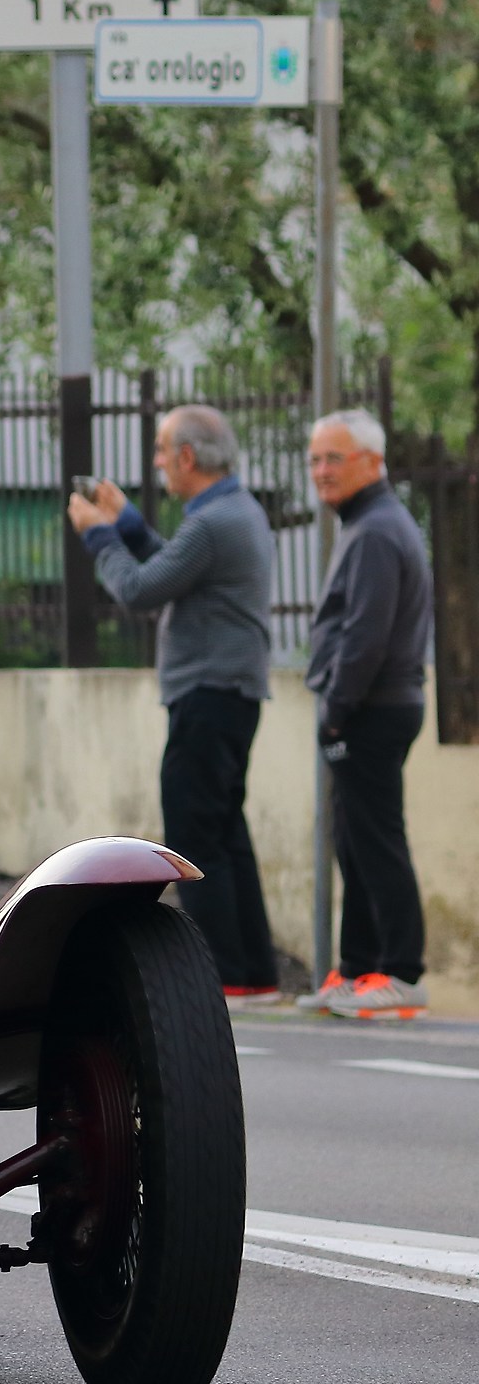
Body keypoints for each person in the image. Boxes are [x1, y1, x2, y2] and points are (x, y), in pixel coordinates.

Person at [66, 406, 281, 1007]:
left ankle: (222, 975)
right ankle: (252, 973)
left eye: (162, 450)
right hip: (231, 694)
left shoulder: (212, 523)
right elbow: (176, 566)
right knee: (225, 831)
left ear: (188, 456)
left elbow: (139, 589)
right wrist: (129, 523)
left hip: (208, 695)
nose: (157, 461)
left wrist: (99, 534)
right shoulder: (234, 513)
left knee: (195, 834)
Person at [300, 408, 434, 1020]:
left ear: (373, 463)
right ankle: (358, 971)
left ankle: (402, 973)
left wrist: (336, 710)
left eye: (335, 458)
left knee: (375, 842)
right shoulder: (369, 523)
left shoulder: (377, 530)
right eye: (315, 459)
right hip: (369, 708)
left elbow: (365, 636)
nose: (322, 470)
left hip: (370, 711)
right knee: (354, 842)